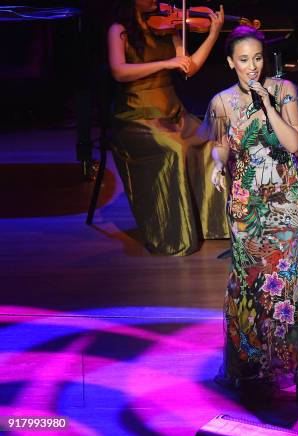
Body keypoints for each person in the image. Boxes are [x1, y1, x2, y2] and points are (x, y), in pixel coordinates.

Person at [200, 26, 298, 400]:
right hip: (245, 203)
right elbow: (221, 146)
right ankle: (247, 365)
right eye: (243, 60)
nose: (252, 67)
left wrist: (267, 103)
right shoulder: (222, 102)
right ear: (230, 63)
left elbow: (294, 142)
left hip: (284, 199)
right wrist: (216, 164)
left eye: (257, 58)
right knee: (248, 281)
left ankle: (297, 371)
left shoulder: (284, 90)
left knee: (288, 281)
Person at [107, 0, 229, 256]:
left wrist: (213, 35)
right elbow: (119, 71)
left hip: (171, 111)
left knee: (210, 142)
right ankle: (176, 233)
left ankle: (212, 225)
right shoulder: (119, 30)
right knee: (174, 149)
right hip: (135, 114)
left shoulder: (167, 27)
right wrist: (165, 64)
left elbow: (190, 67)